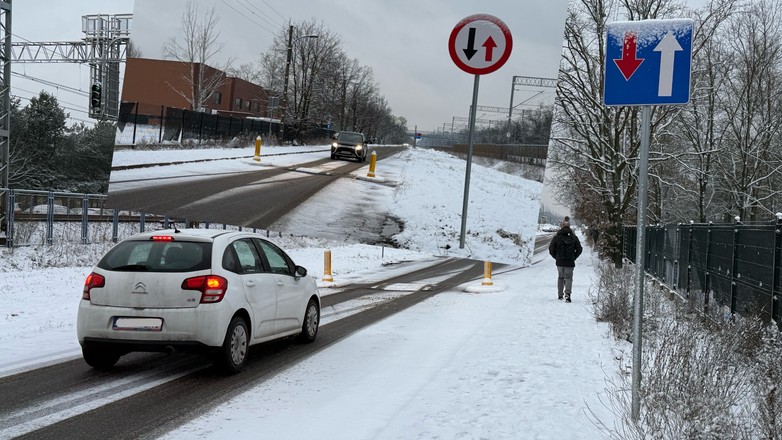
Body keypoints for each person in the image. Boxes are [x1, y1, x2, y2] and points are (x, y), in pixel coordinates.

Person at [548, 219, 583, 302]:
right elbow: (579, 249)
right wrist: (574, 257)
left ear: (562, 226)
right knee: (569, 277)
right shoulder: (574, 237)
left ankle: (560, 295)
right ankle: (568, 294)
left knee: (560, 277)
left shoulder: (556, 237)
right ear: (569, 226)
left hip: (559, 262)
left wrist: (556, 257)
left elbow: (551, 249)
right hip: (570, 261)